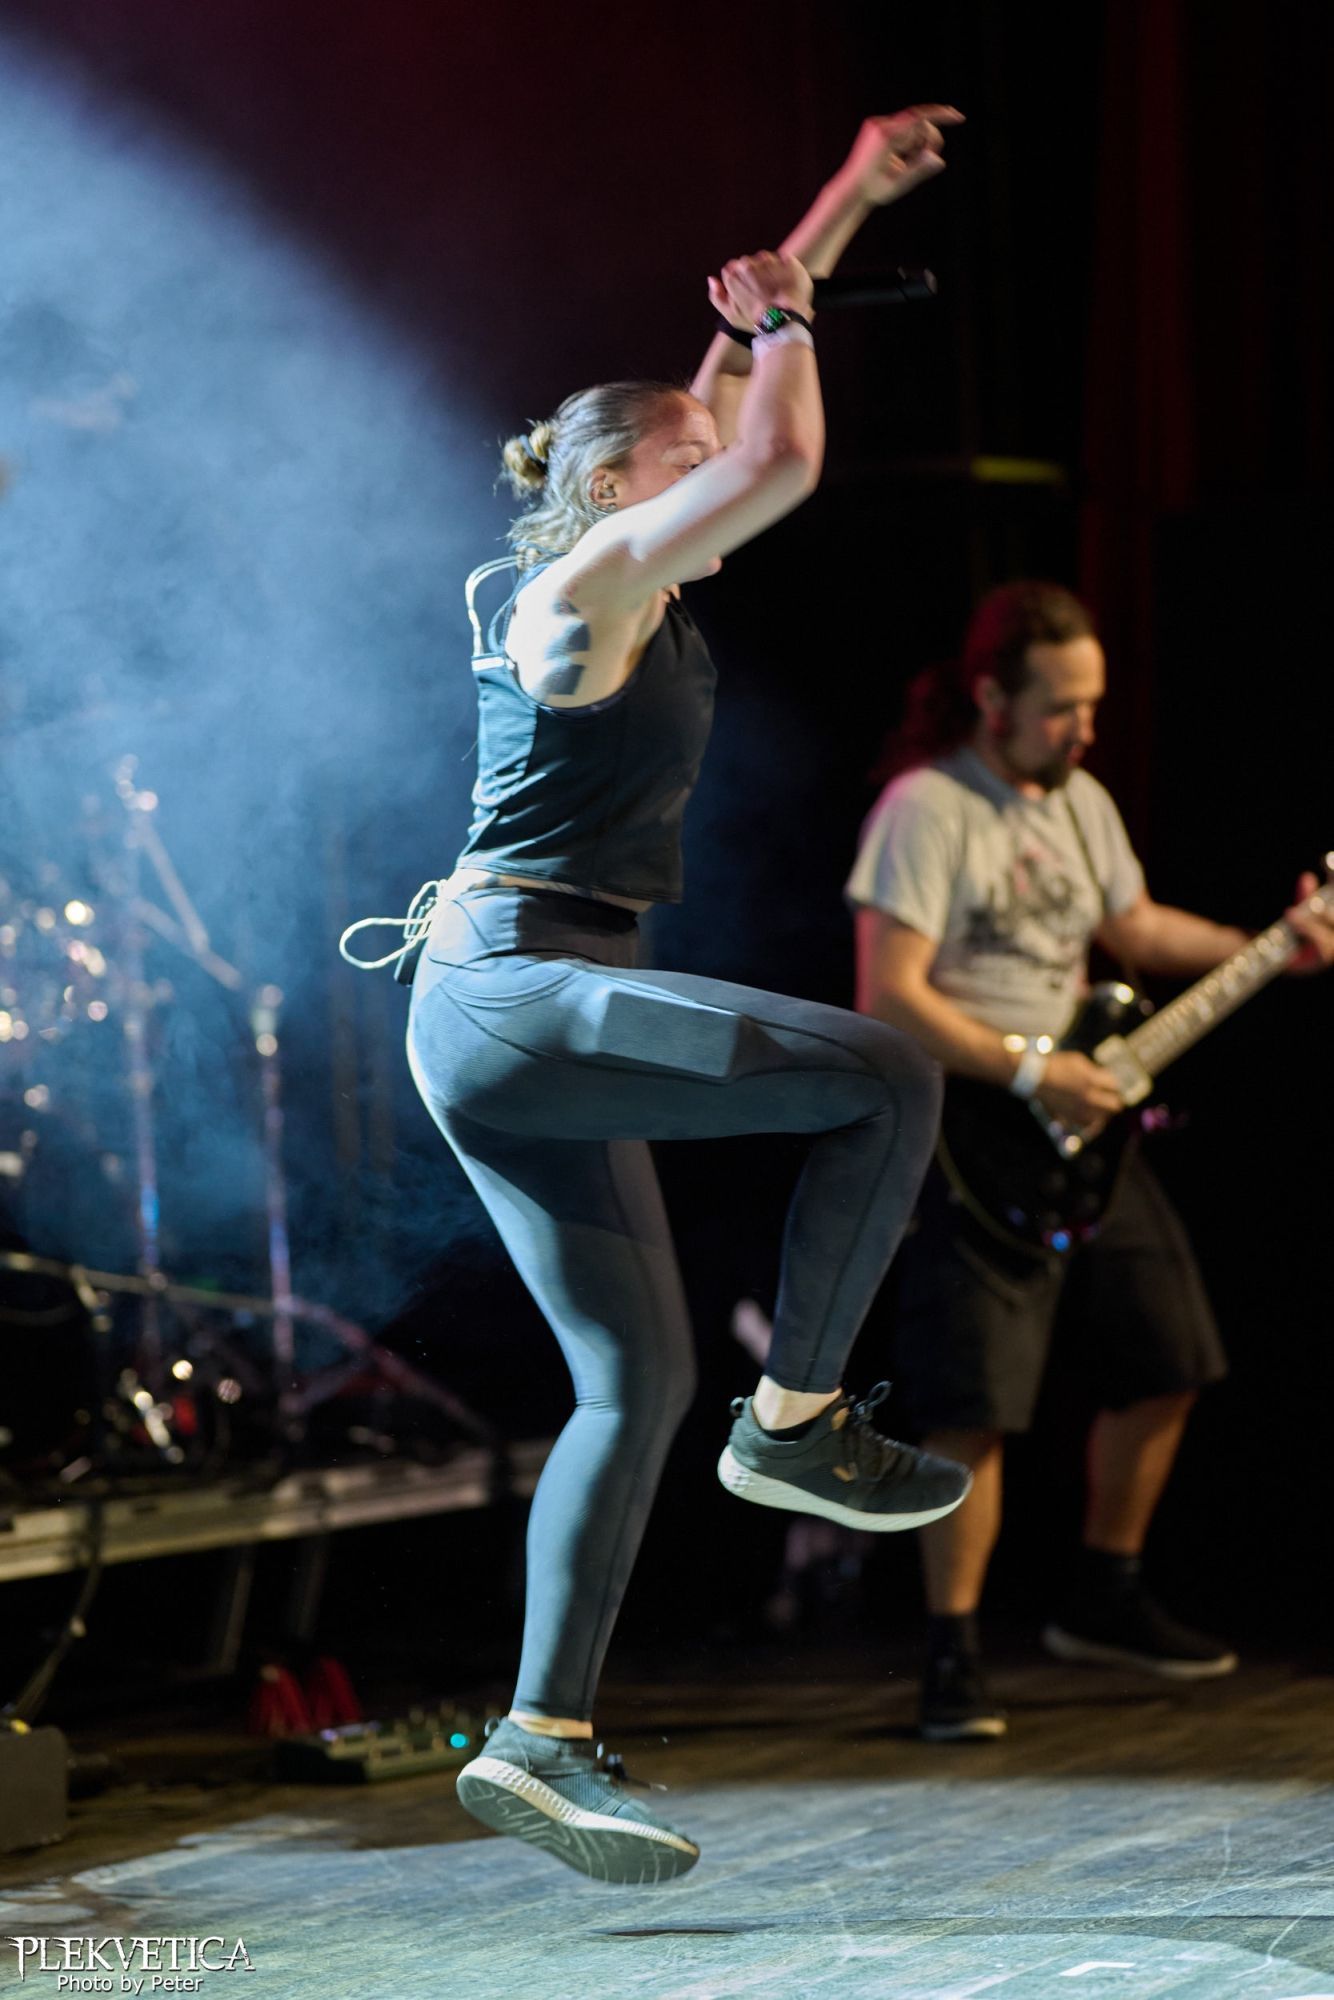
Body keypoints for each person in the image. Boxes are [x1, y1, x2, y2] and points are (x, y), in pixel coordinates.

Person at [398, 110, 970, 1882]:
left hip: (517, 1002)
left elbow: (722, 384)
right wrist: (789, 326)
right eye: (684, 461)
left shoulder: (616, 561)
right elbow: (773, 447)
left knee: (633, 1380)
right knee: (886, 1076)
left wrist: (845, 197)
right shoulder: (582, 585)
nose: (712, 466)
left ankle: (538, 1739)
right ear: (615, 488)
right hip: (517, 989)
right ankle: (796, 1421)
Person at [846, 579, 1334, 1741]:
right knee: (971, 1401)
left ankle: (1102, 1592)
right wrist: (1027, 1069)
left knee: (1170, 1353)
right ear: (991, 699)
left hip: (1090, 1133)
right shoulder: (925, 808)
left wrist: (1270, 946)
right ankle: (950, 1653)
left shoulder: (1079, 801)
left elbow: (1134, 926)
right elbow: (885, 995)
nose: (1083, 729)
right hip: (973, 1132)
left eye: (1094, 704)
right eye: (1061, 707)